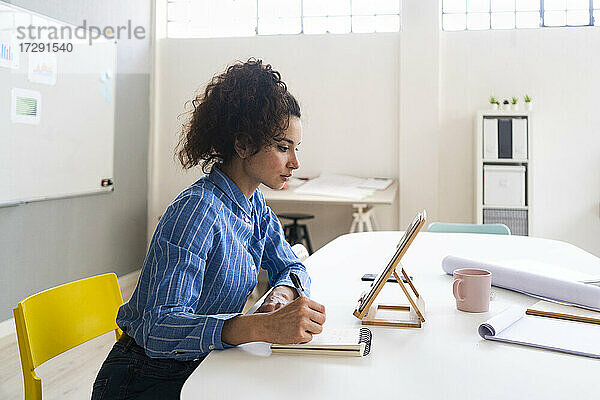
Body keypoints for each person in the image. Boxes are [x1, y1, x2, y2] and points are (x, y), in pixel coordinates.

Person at [92, 59, 326, 399]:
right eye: (282, 147)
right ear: (244, 145)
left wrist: (281, 294)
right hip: (143, 380)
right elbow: (159, 329)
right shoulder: (197, 212)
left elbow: (292, 266)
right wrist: (260, 326)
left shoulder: (255, 207)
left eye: (295, 148)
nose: (295, 163)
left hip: (201, 365)